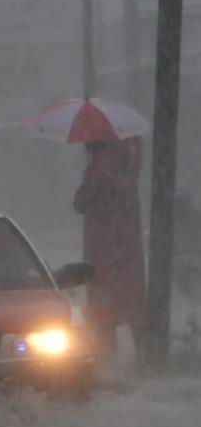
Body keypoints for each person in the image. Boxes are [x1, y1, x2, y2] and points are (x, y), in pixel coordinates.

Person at [73, 137, 146, 359]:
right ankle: (149, 358)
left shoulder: (98, 168)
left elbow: (80, 203)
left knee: (103, 309)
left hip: (102, 249)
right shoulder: (130, 166)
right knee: (134, 304)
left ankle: (107, 362)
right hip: (129, 248)